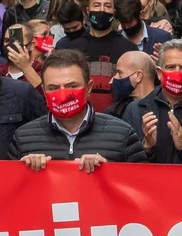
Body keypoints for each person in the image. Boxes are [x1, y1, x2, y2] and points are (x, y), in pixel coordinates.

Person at [12, 49, 144, 170]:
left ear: (89, 87)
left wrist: (107, 171)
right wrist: (24, 171)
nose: (63, 96)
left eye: (72, 86)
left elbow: (142, 186)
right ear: (44, 91)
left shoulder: (122, 134)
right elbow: (8, 189)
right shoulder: (23, 139)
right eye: (53, 88)